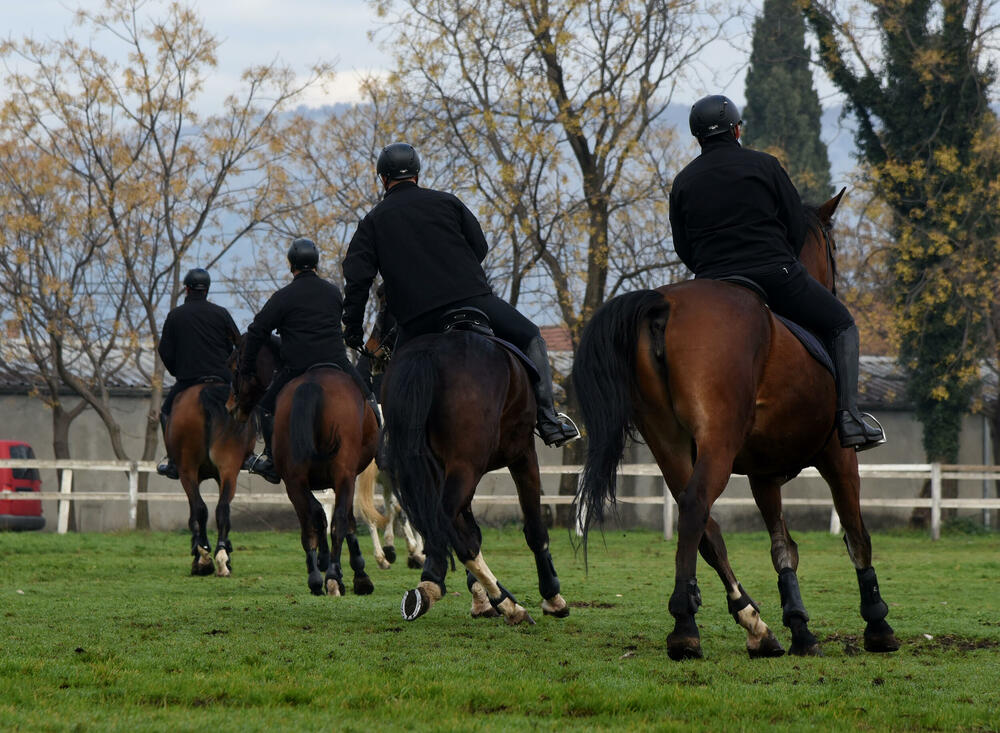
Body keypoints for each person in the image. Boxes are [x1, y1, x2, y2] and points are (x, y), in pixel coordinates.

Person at [668, 94, 884, 451]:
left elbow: (683, 246)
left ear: (698, 138)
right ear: (737, 130)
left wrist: (710, 274)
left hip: (713, 282)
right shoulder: (765, 165)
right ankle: (849, 417)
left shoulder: (684, 181)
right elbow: (795, 227)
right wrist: (781, 258)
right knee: (843, 323)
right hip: (775, 274)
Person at [342, 142, 579, 447]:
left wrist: (352, 329)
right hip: (472, 299)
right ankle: (548, 420)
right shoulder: (447, 202)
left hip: (417, 319)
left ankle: (393, 443)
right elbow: (479, 245)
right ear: (417, 174)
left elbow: (358, 279)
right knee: (532, 336)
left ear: (383, 178)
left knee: (397, 379)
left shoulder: (372, 222)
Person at [241, 237, 381, 483]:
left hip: (298, 366)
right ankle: (382, 447)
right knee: (369, 400)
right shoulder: (332, 292)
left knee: (265, 408)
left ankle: (272, 462)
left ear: (291, 265)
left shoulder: (283, 296)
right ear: (316, 263)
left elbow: (256, 332)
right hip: (337, 361)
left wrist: (247, 367)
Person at [156, 268, 241, 479]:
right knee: (243, 408)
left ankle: (172, 459)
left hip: (188, 381)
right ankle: (246, 453)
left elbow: (164, 351)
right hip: (222, 379)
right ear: (207, 290)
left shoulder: (175, 316)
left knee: (165, 412)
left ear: (187, 289)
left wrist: (178, 371)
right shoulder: (221, 313)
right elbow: (239, 344)